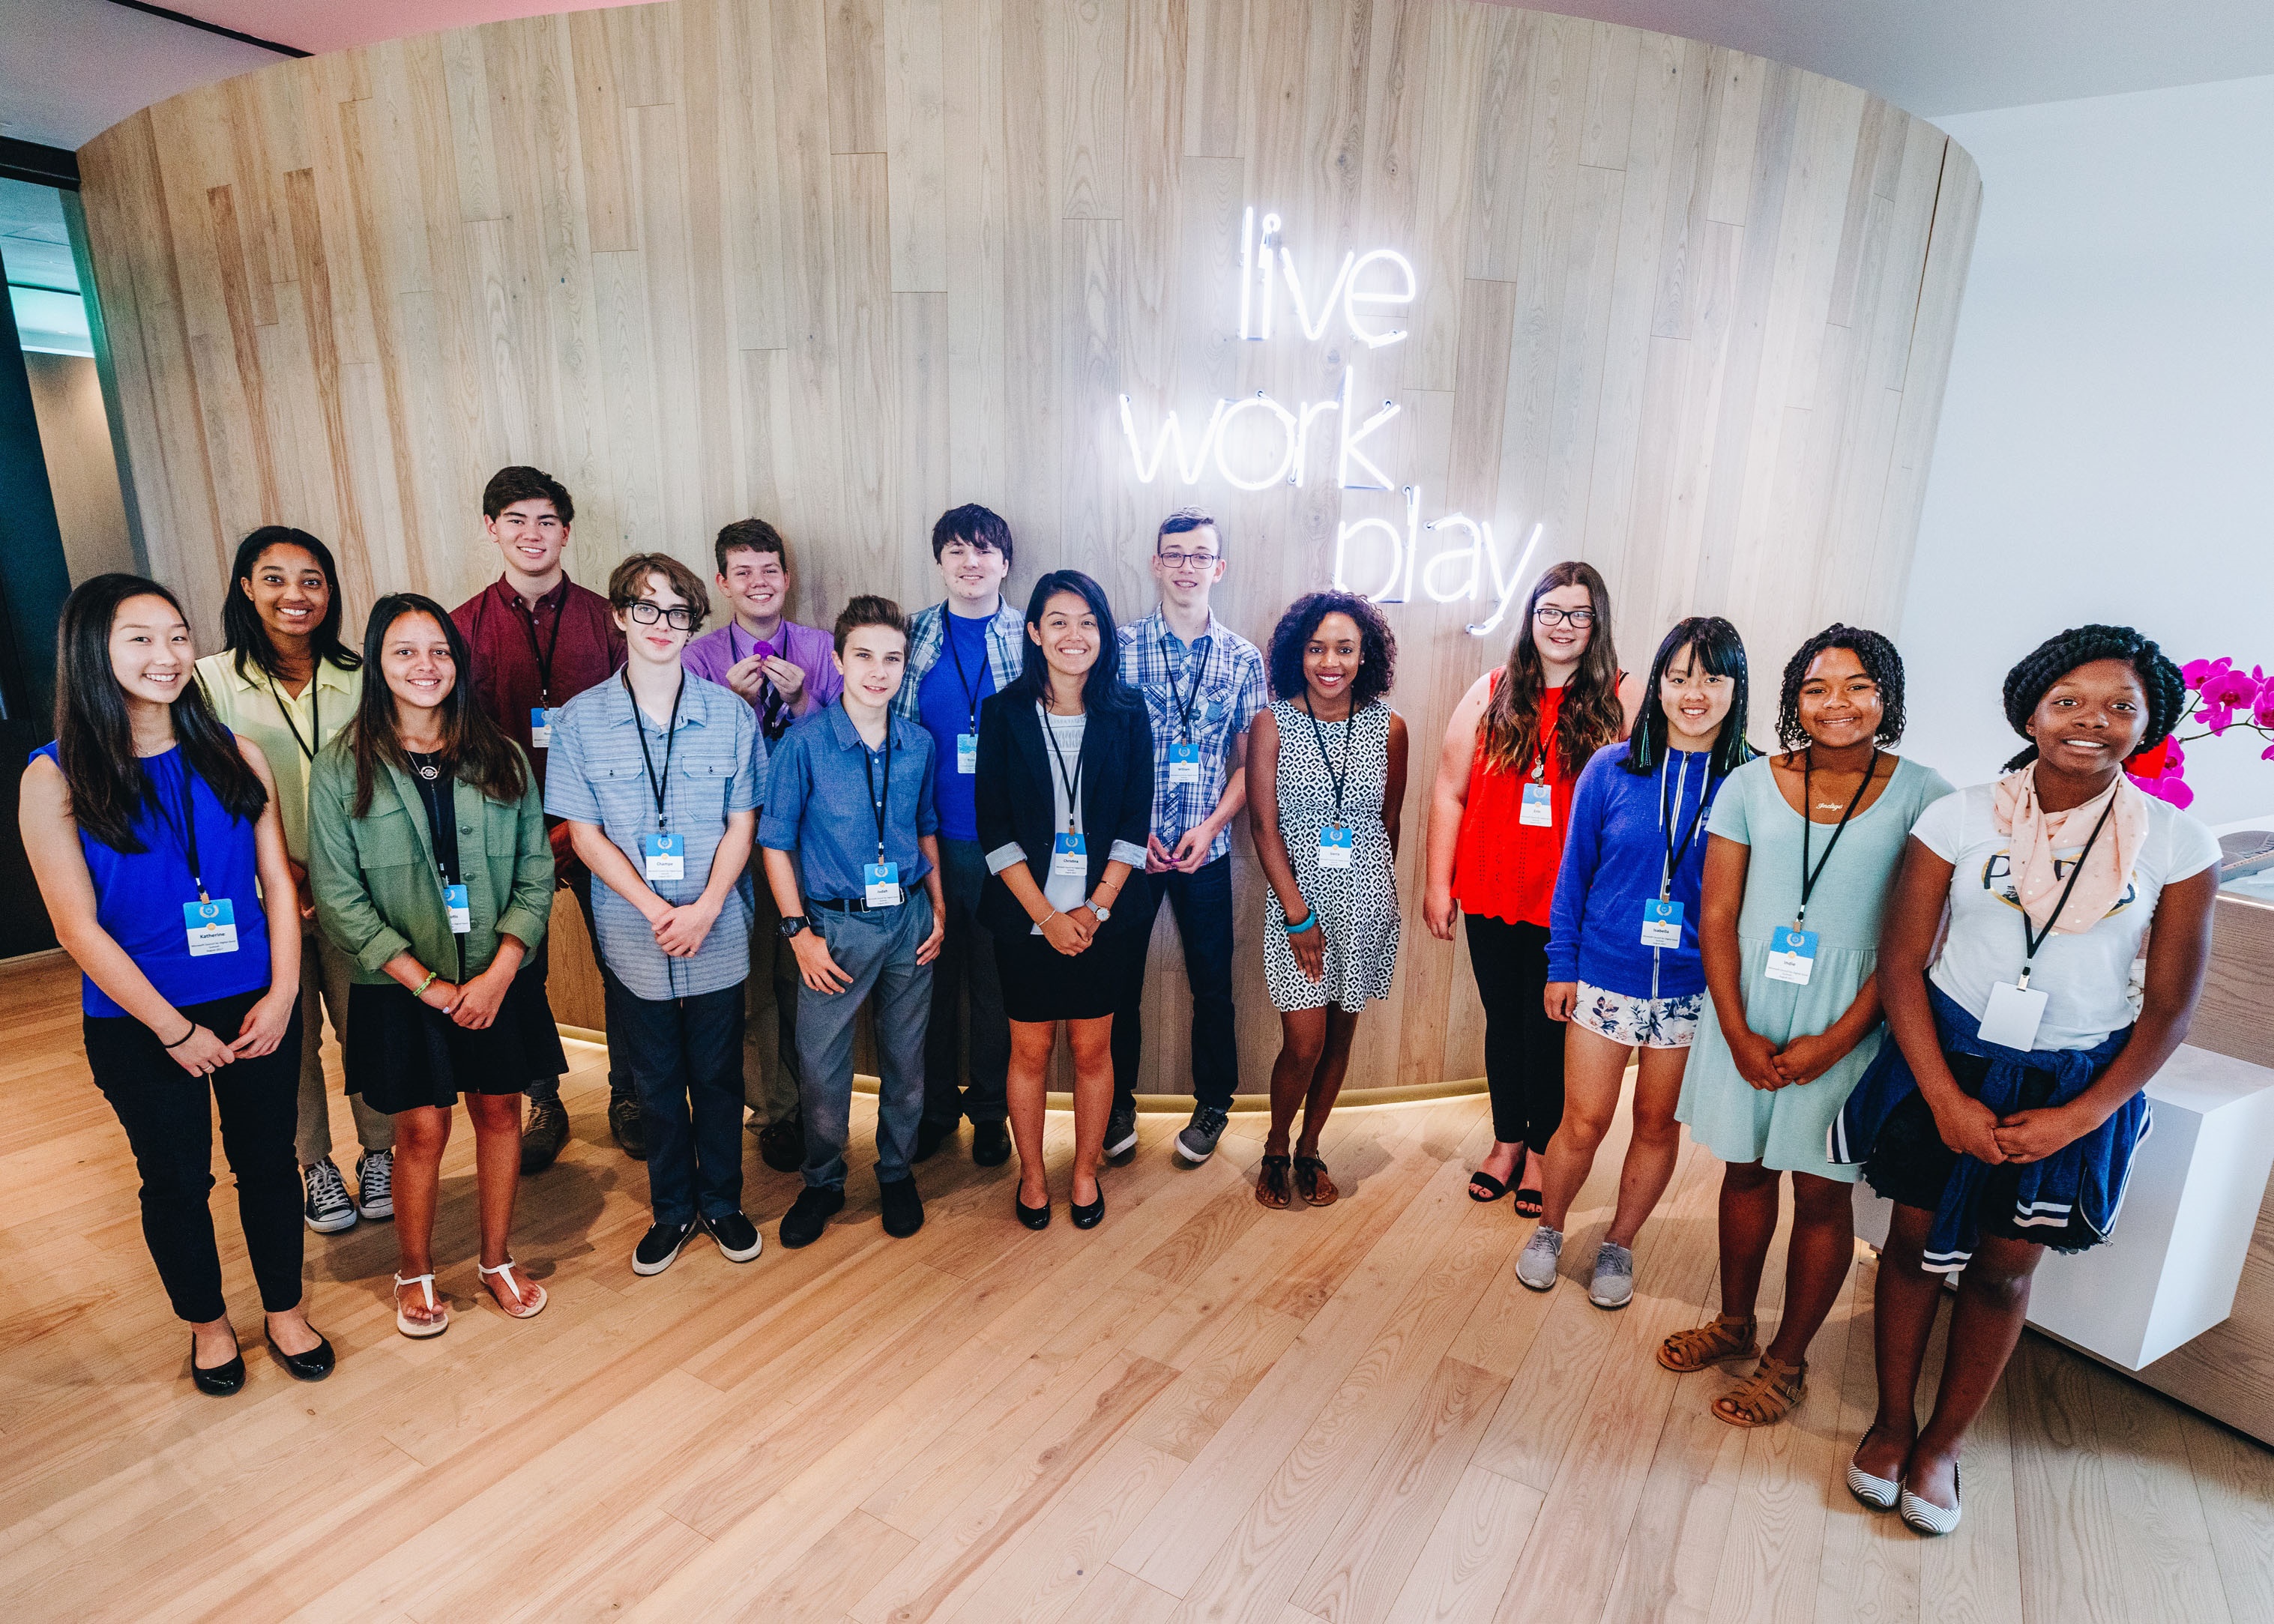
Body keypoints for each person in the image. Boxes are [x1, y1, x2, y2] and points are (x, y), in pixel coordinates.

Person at [1839, 627, 2215, 1534]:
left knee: (2005, 1271)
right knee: (1911, 1248)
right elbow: (1901, 965)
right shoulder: (1961, 818)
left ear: (2149, 722)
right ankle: (1891, 1424)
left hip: (2073, 1080)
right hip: (1949, 1054)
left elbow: (2166, 1009)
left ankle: (1942, 1448)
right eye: (2068, 702)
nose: (2092, 721)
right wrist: (1941, 1095)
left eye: (2120, 706)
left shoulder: (2179, 842)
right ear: (2030, 711)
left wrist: (2075, 1119)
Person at [22, 574, 329, 1393]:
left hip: (256, 1002)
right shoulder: (53, 777)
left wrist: (285, 994)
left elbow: (278, 887)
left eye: (178, 635)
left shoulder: (235, 752)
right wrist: (173, 1030)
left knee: (269, 1162)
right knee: (176, 1178)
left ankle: (286, 1310)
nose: (168, 655)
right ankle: (208, 1323)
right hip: (138, 1021)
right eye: (140, 638)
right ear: (93, 650)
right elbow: (75, 928)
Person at [1659, 625, 1952, 1427]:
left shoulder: (1927, 795)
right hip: (1745, 1006)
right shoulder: (1749, 784)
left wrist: (1837, 1038)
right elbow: (1714, 914)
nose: (1838, 703)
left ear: (1885, 696)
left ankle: (1786, 1362)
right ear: (1794, 700)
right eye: (1818, 688)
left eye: (1858, 686)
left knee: (1823, 1195)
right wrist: (1735, 1026)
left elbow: (1912, 941)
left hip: (1853, 1016)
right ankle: (1733, 1322)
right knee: (1744, 1171)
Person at [310, 595, 561, 1337]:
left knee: (500, 1111)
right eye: (404, 652)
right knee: (420, 1129)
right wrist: (430, 984)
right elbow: (338, 893)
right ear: (377, 665)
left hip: (496, 976)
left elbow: (535, 875)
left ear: (459, 661)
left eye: (439, 651)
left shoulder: (501, 755)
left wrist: (496, 974)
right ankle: (413, 1270)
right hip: (399, 984)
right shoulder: (341, 766)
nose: (425, 666)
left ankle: (494, 1258)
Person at [1518, 618, 1755, 1308]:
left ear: (1735, 687)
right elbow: (1574, 875)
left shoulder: (1751, 783)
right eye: (1680, 676)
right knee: (1583, 1120)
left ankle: (1619, 1242)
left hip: (1690, 987)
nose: (1694, 693)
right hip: (1604, 974)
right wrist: (1561, 964)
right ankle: (1550, 1228)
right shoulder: (1612, 766)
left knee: (1656, 1124)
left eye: (1712, 677)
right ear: (1658, 684)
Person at [547, 555, 765, 1277]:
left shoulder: (732, 715)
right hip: (632, 933)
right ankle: (672, 1210)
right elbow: (583, 835)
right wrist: (654, 908)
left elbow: (744, 824)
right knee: (656, 1082)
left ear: (692, 622)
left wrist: (702, 908)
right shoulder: (579, 721)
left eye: (677, 612)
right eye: (646, 609)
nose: (662, 625)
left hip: (718, 927)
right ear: (619, 616)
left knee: (718, 1076)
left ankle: (724, 1201)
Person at [1424, 562, 1642, 1217]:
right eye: (1550, 610)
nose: (1563, 625)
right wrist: (1439, 883)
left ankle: (1544, 1151)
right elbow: (1449, 789)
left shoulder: (1625, 698)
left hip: (1572, 904)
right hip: (1490, 890)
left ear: (1596, 622)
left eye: (1579, 613)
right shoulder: (1490, 688)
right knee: (1504, 1021)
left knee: (1549, 1030)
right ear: (1531, 617)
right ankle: (1505, 1140)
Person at [195, 527, 393, 1235]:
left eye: (311, 579)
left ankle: (380, 1153)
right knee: (289, 1033)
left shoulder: (365, 675)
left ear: (330, 591)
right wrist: (283, 866)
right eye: (274, 578)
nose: (294, 595)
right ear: (246, 588)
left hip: (360, 891)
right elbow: (206, 790)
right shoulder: (207, 681)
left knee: (366, 1027)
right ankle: (314, 1165)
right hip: (259, 897)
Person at [450, 465, 631, 1168]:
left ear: (567, 532)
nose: (533, 534)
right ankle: (543, 1099)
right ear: (491, 528)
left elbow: (627, 729)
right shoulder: (461, 627)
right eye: (516, 520)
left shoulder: (604, 619)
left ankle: (630, 1090)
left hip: (601, 828)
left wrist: (573, 828)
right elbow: (457, 739)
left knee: (621, 966)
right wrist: (533, 833)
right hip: (505, 835)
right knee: (521, 973)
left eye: (547, 521)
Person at [761, 596, 947, 1248]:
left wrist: (939, 908)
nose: (879, 670)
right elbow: (775, 842)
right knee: (822, 1067)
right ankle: (823, 1181)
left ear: (904, 667)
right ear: (837, 661)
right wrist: (798, 934)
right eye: (864, 655)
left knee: (906, 1061)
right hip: (831, 931)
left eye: (892, 658)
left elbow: (925, 830)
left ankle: (896, 1172)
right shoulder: (805, 744)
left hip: (907, 919)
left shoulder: (918, 743)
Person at [975, 571, 1152, 1231]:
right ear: (1034, 632)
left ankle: (1082, 1173)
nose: (1073, 634)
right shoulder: (1003, 712)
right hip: (1026, 920)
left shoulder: (1129, 713)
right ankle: (1030, 1174)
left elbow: (1136, 825)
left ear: (1102, 634)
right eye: (1058, 620)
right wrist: (1046, 916)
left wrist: (1095, 910)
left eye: (1087, 621)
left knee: (1091, 1052)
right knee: (1028, 1053)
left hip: (1104, 922)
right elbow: (994, 830)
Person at [683, 519, 844, 1176]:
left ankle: (817, 1105)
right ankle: (773, 1111)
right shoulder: (698, 660)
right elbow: (683, 752)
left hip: (811, 836)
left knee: (806, 972)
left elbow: (847, 742)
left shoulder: (822, 647)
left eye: (769, 569)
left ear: (787, 577)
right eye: (742, 572)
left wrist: (803, 698)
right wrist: (730, 704)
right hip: (732, 839)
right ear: (723, 582)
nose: (758, 582)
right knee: (753, 982)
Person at [1110, 509, 1268, 1166]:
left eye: (1199, 556)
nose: (1185, 567)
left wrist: (1210, 827)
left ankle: (1213, 1103)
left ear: (1218, 568)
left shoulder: (1242, 658)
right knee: (1116, 979)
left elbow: (1251, 765)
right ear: (1155, 563)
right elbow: (1102, 753)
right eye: (1173, 555)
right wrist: (1132, 827)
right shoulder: (1118, 647)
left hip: (1207, 848)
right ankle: (1116, 1099)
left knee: (1212, 983)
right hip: (1131, 850)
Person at [1248, 592, 1408, 1210]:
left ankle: (1312, 1148)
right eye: (1316, 648)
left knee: (1341, 1041)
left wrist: (1368, 898)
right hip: (1298, 911)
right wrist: (1300, 913)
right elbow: (1264, 828)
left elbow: (1387, 824)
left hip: (1366, 907)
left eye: (1344, 648)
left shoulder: (1390, 728)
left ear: (1364, 654)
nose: (1330, 661)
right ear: (1298, 653)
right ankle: (1276, 1144)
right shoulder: (1272, 723)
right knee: (1305, 1043)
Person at [896, 504, 1026, 1166]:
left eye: (984, 551)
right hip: (928, 839)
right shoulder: (911, 634)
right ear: (940, 561)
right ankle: (935, 1108)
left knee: (995, 984)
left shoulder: (1030, 636)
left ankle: (990, 1112)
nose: (970, 563)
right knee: (932, 982)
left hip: (1005, 843)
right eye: (956, 550)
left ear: (1005, 563)